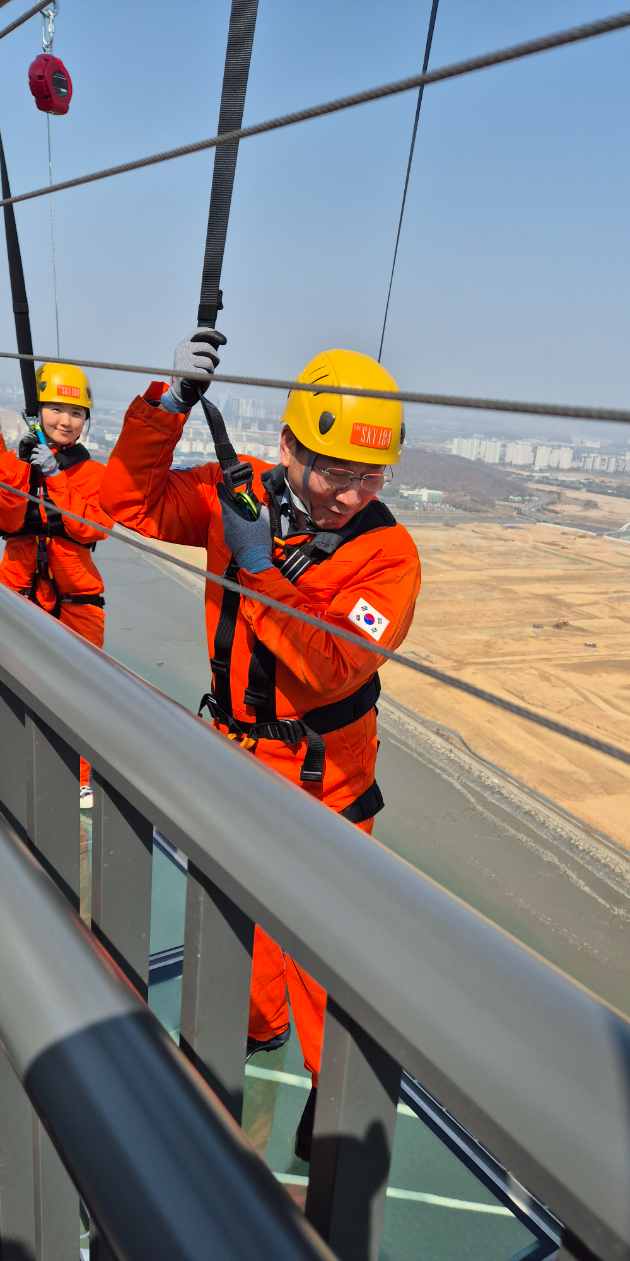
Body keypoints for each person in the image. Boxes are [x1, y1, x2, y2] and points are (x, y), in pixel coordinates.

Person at [99, 331, 421, 1157]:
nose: (350, 494)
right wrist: (165, 408)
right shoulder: (235, 493)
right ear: (288, 447)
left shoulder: (387, 555)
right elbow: (123, 503)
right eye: (334, 471)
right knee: (240, 925)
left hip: (323, 779)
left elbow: (330, 668)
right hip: (236, 754)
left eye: (369, 476)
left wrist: (257, 571)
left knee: (327, 949)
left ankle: (336, 1108)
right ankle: (257, 1031)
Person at [0, 363, 112, 806]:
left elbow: (92, 528)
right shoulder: (16, 466)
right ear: (38, 410)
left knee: (80, 691)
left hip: (77, 599)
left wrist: (54, 476)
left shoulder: (93, 475)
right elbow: (7, 517)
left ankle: (80, 776)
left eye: (75, 412)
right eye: (54, 408)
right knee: (11, 681)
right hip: (17, 592)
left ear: (87, 420)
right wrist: (19, 468)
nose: (65, 420)